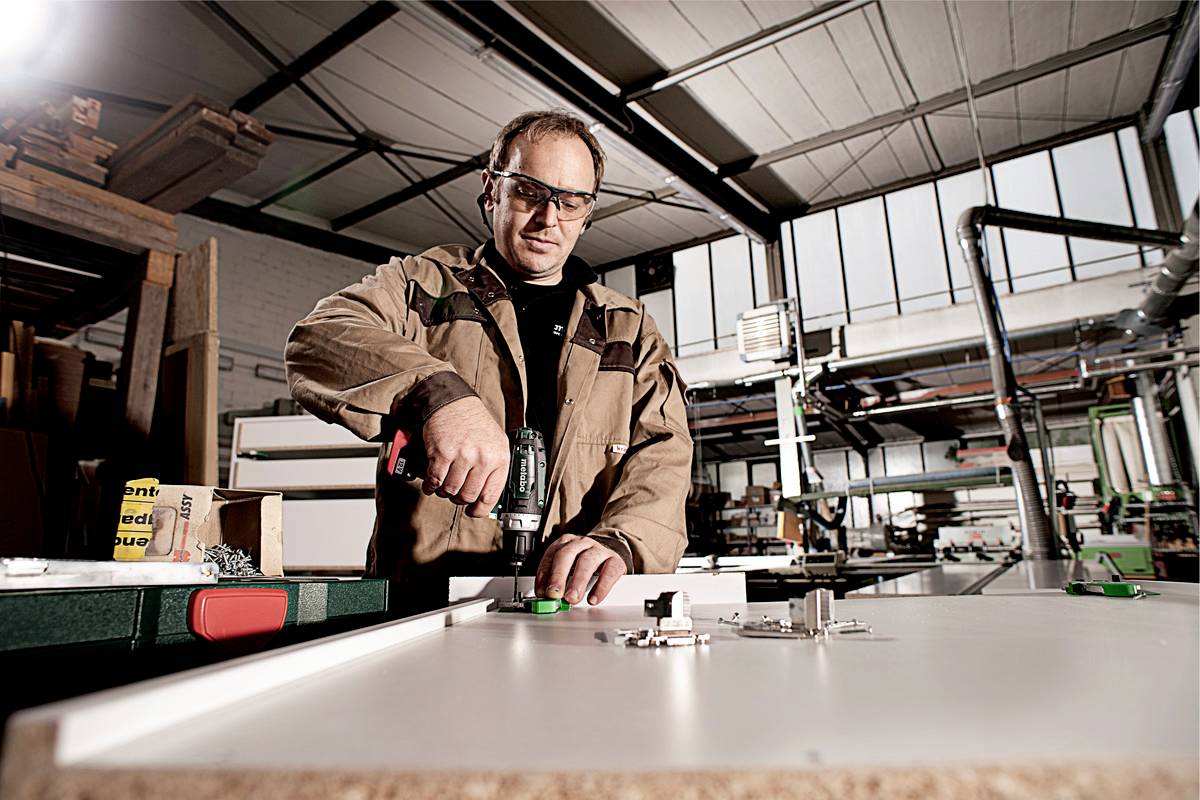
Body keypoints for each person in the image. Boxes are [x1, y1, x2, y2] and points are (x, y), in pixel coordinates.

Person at [285, 110, 692, 613]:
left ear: (587, 213)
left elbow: (664, 455)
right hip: (426, 605)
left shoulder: (626, 329)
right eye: (529, 192)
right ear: (490, 189)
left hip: (575, 607)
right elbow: (318, 338)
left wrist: (621, 543)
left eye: (570, 202)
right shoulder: (424, 286)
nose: (549, 218)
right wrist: (436, 394)